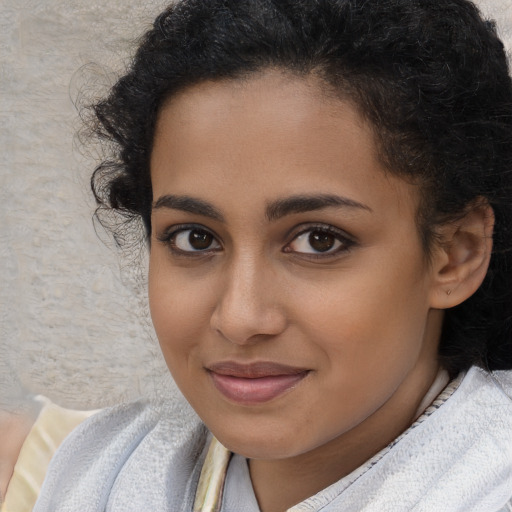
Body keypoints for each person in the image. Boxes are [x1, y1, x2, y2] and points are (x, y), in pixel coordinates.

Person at [34, 0, 512, 510]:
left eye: (318, 240)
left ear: (455, 255)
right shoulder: (97, 473)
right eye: (195, 238)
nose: (240, 318)